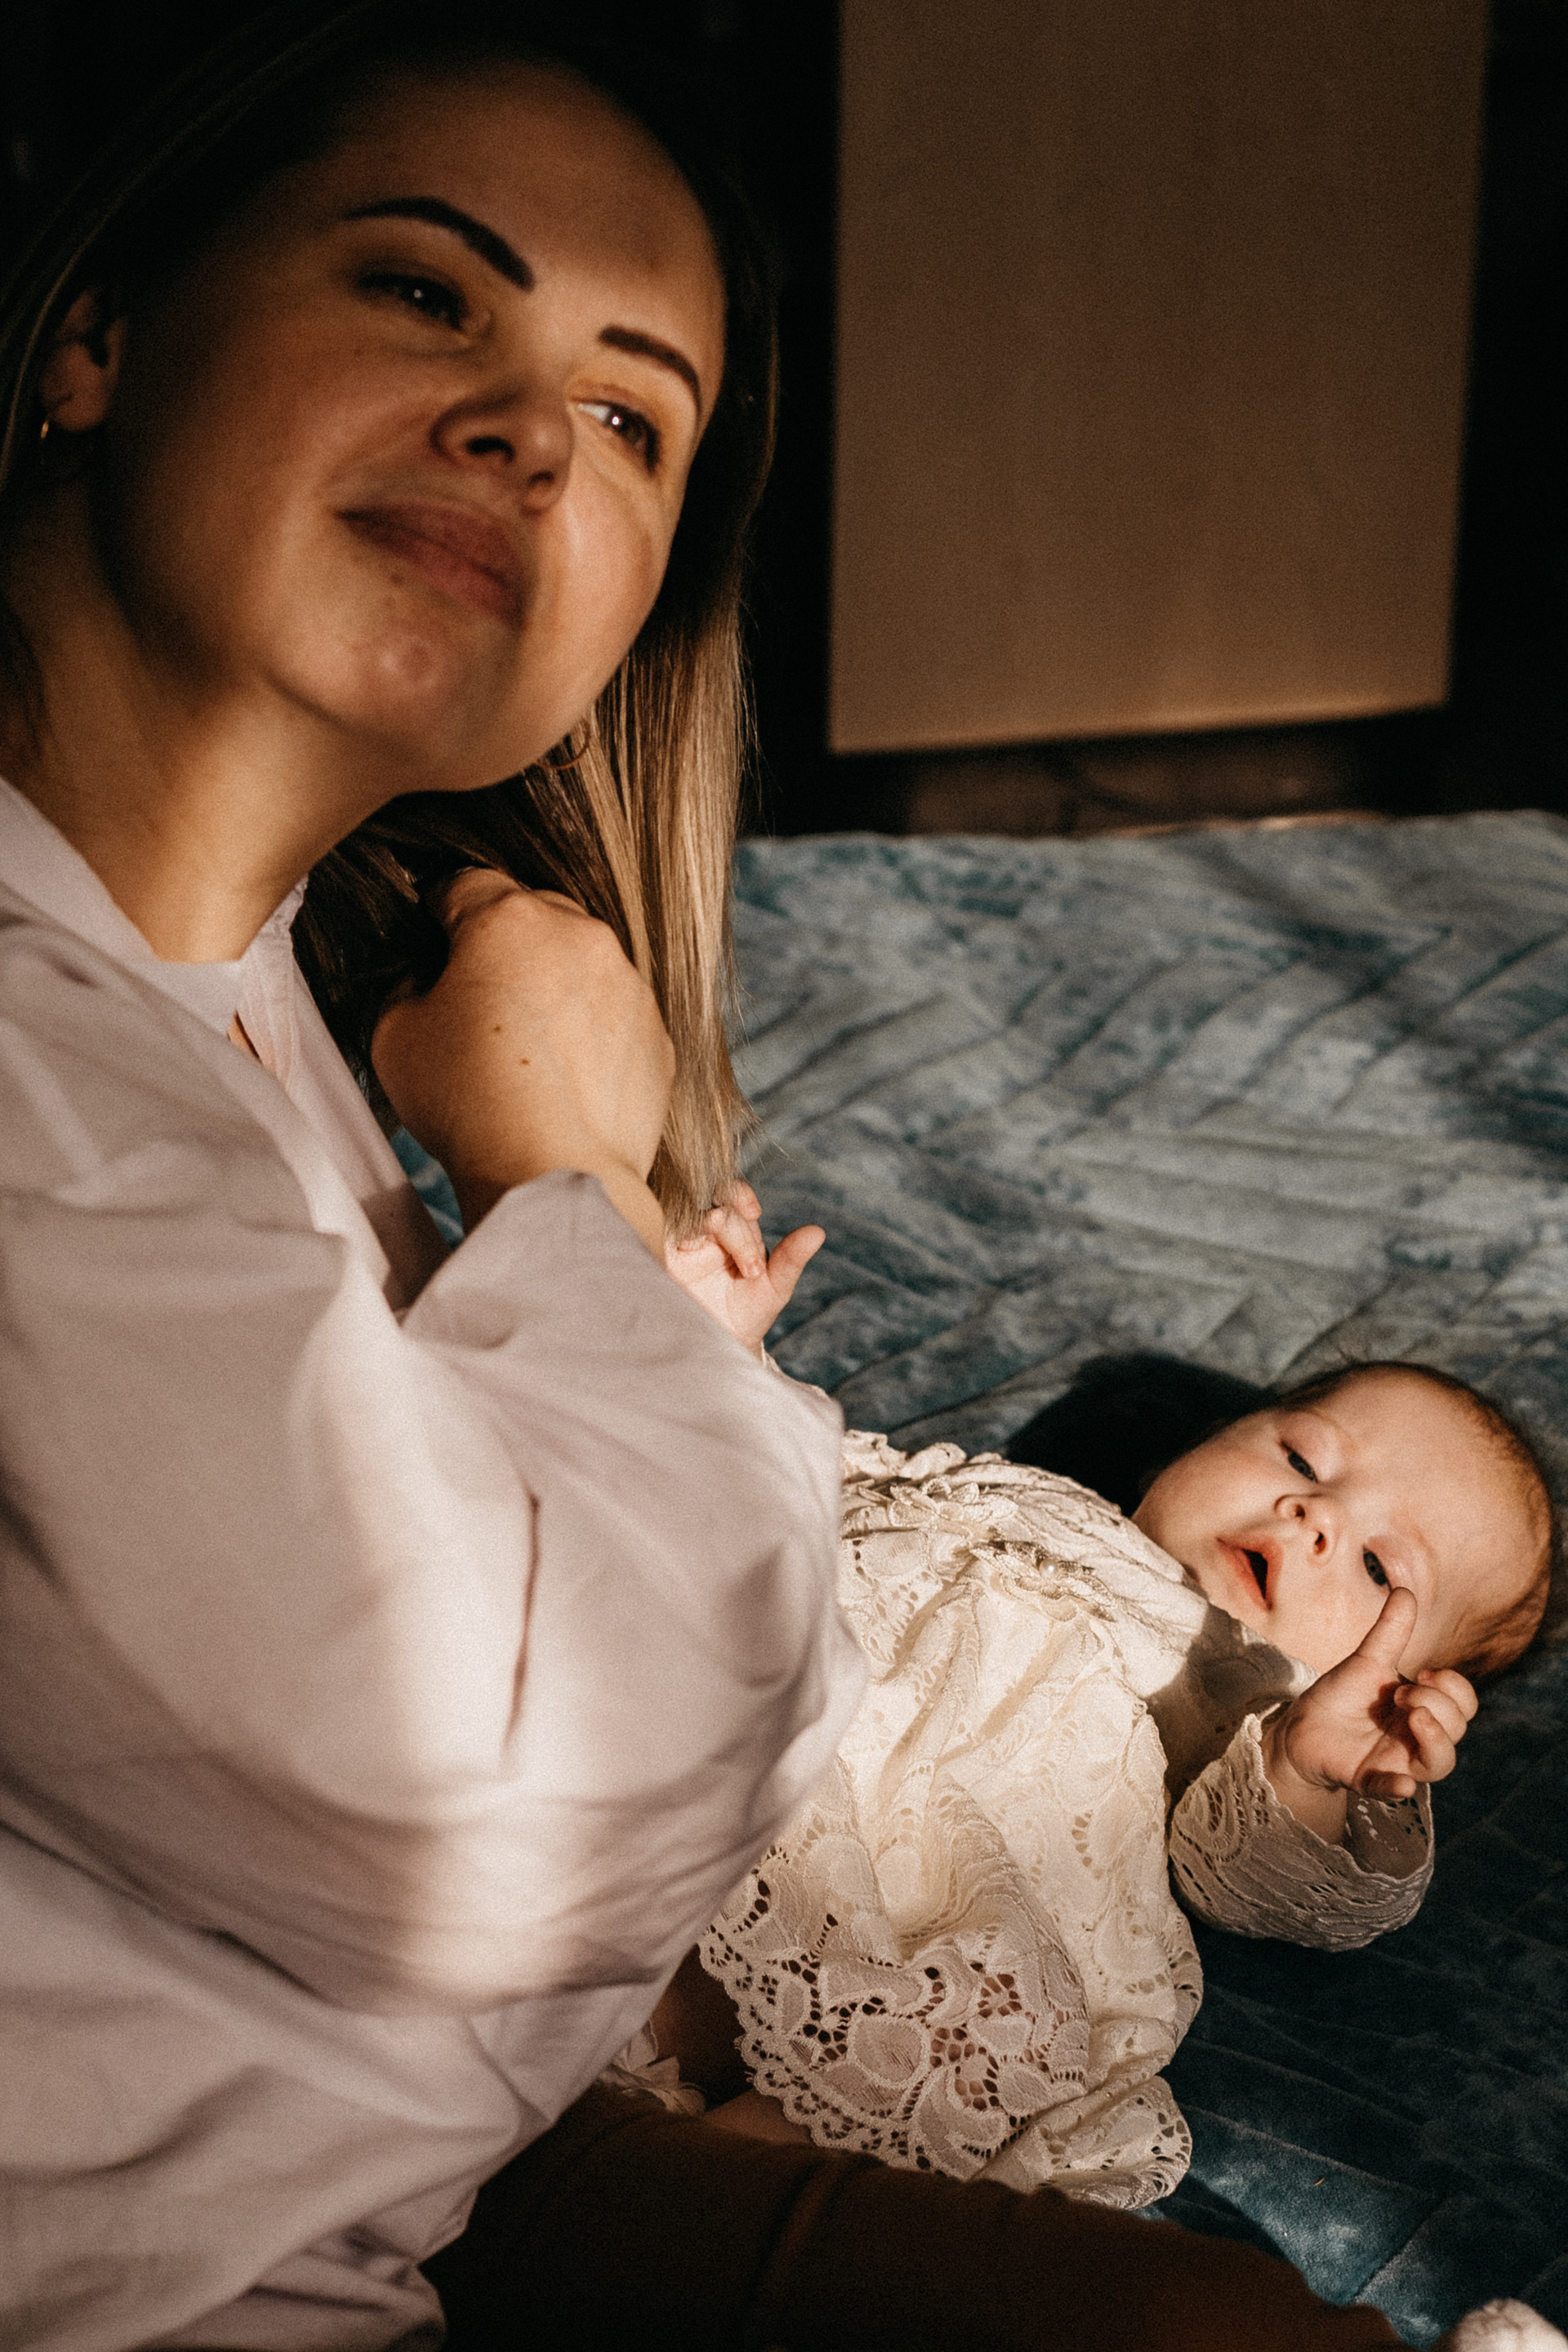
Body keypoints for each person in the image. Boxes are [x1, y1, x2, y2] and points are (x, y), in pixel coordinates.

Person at [0, 8, 1530, 2349]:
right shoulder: (56, 1072)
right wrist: (575, 1176)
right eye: (421, 289)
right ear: (98, 327)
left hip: (433, 2137)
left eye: (633, 416)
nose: (532, 431)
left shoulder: (258, 985)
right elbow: (498, 1855)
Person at [657, 1362, 1551, 2203]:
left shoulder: (1254, 1703)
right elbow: (795, 1470)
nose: (1316, 1515)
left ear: (1390, 1687)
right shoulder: (1020, 1493)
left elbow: (1260, 1882)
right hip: (750, 1715)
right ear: (1187, 1449)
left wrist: (1309, 1773)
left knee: (967, 2043)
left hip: (928, 1892)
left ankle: (667, 2201)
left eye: (1379, 1569)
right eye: (1302, 1458)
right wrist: (727, 1350)